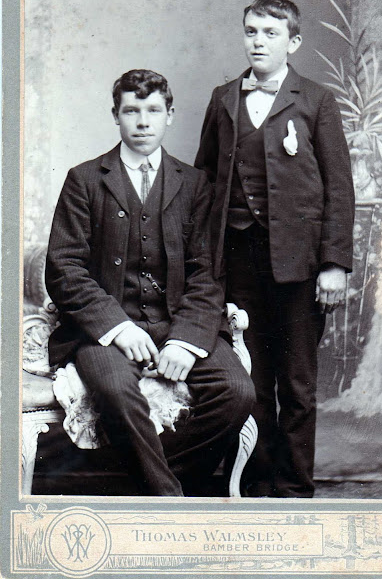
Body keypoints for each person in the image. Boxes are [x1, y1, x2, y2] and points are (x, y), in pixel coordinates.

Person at [45, 68, 255, 497]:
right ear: (115, 116)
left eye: (153, 111)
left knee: (237, 393)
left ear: (169, 115)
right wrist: (118, 328)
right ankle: (169, 502)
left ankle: (142, 484)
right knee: (117, 392)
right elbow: (64, 269)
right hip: (105, 333)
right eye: (131, 111)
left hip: (178, 323)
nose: (143, 122)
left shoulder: (194, 184)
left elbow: (207, 273)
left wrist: (185, 342)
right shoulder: (84, 179)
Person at [195, 0, 355, 498]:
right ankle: (254, 481)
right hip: (238, 260)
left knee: (298, 382)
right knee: (253, 379)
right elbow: (204, 180)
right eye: (251, 32)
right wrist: (205, 260)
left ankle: (294, 487)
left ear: (294, 42)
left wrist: (333, 264)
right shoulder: (224, 98)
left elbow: (339, 187)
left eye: (270, 33)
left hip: (300, 264)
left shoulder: (316, 100)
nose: (258, 42)